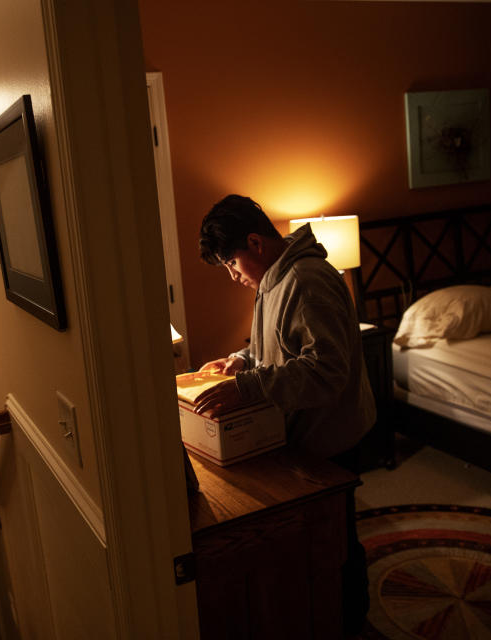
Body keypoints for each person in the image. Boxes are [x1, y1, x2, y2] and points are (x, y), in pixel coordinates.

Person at [194, 194, 375, 635]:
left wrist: (248, 387)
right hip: (304, 434)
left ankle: (353, 623)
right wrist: (244, 358)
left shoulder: (307, 280)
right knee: (314, 542)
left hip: (331, 437)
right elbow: (279, 345)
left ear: (255, 242)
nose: (234, 277)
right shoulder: (275, 278)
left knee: (337, 544)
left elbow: (326, 370)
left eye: (232, 265)